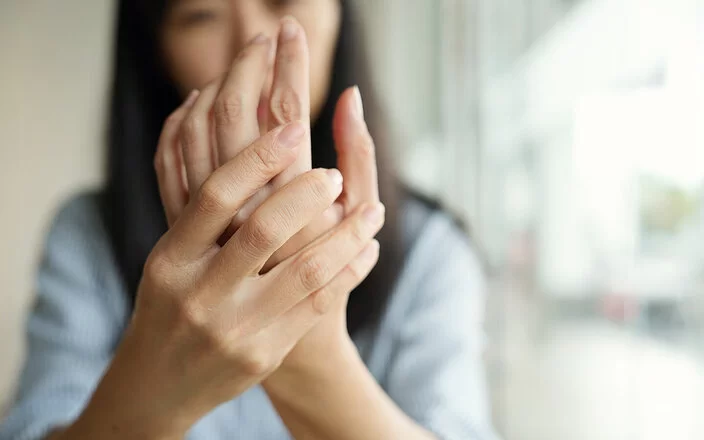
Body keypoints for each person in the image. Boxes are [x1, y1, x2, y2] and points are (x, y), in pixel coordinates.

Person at [0, 1, 496, 439]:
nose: (250, 42)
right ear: (155, 50)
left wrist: (309, 354)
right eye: (200, 14)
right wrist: (152, 384)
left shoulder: (431, 248)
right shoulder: (89, 235)